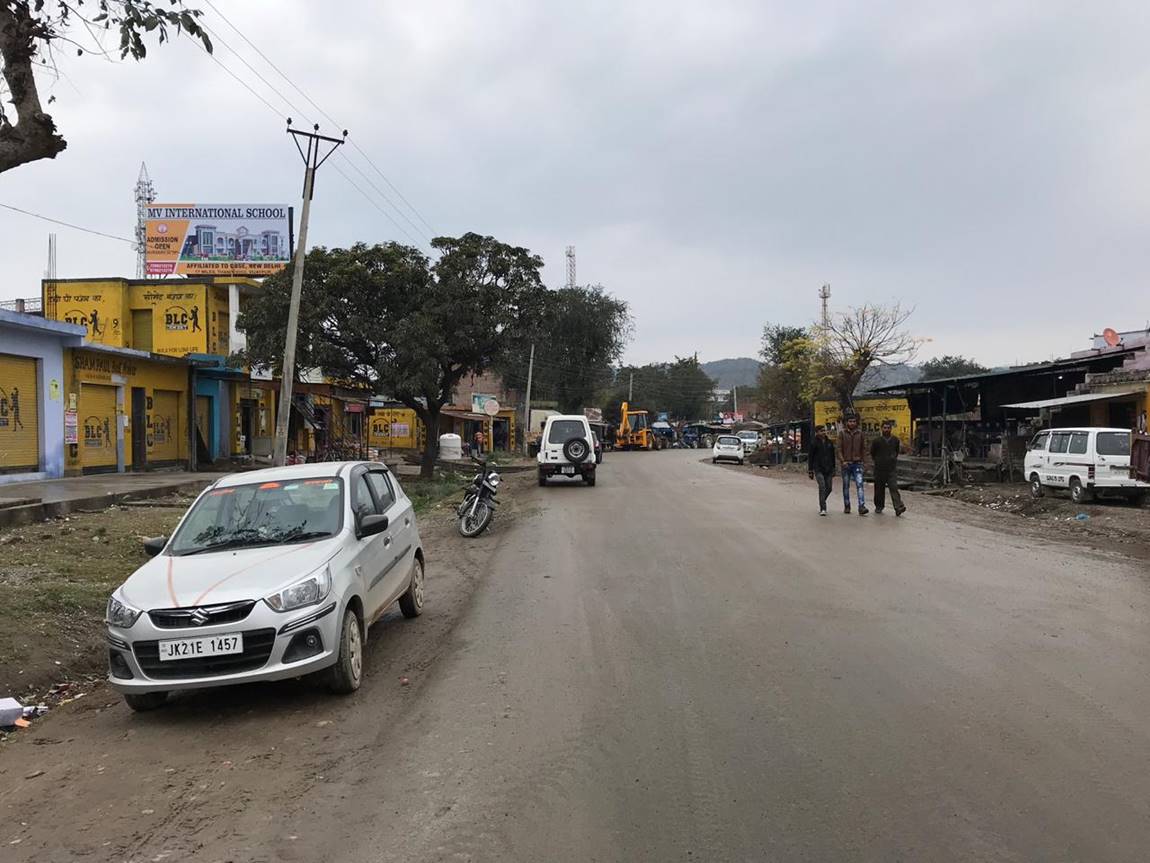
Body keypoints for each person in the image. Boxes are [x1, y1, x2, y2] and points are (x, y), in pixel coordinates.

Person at [871, 419, 906, 516]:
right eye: (885, 428)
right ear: (881, 429)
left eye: (888, 428)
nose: (887, 430)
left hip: (891, 469)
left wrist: (893, 459)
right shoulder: (877, 441)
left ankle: (898, 507)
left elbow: (896, 451)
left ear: (891, 429)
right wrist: (878, 461)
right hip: (879, 469)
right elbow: (872, 453)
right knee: (879, 489)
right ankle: (879, 506)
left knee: (894, 487)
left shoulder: (895, 440)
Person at [838, 413, 868, 515]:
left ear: (856, 422)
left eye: (854, 421)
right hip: (846, 464)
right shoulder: (842, 434)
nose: (852, 423)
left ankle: (861, 506)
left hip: (857, 463)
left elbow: (864, 449)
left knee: (860, 485)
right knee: (846, 485)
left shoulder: (860, 434)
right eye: (850, 421)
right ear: (846, 422)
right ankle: (847, 505)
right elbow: (839, 450)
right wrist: (843, 461)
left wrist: (865, 462)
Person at [807, 425, 836, 515]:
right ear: (817, 432)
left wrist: (834, 468)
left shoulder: (829, 443)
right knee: (822, 486)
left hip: (829, 468)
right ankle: (823, 507)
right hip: (818, 468)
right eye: (821, 431)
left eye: (824, 431)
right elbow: (810, 457)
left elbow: (833, 456)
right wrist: (810, 470)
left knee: (829, 488)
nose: (823, 432)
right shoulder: (814, 443)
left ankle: (822, 499)